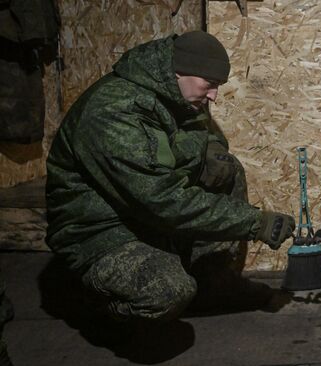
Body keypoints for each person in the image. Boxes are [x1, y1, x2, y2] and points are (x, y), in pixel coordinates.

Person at [46, 31, 295, 326]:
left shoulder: (178, 94)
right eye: (210, 85)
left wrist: (214, 151)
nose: (214, 95)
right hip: (100, 229)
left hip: (141, 210)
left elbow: (200, 136)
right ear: (180, 73)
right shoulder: (113, 113)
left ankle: (211, 282)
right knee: (167, 292)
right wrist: (255, 222)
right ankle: (93, 302)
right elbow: (163, 201)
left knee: (226, 169)